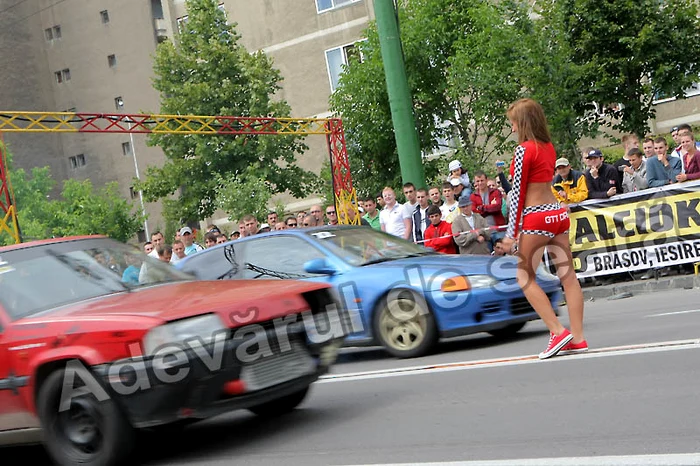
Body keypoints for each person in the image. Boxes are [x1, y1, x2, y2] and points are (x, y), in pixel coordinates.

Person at [500, 98, 586, 360]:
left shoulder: (523, 150)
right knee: (568, 276)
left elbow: (517, 194)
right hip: (557, 214)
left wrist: (510, 234)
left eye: (513, 123)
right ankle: (578, 338)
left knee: (524, 277)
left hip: (537, 218)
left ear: (522, 123)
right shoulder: (548, 147)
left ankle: (557, 331)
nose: (512, 129)